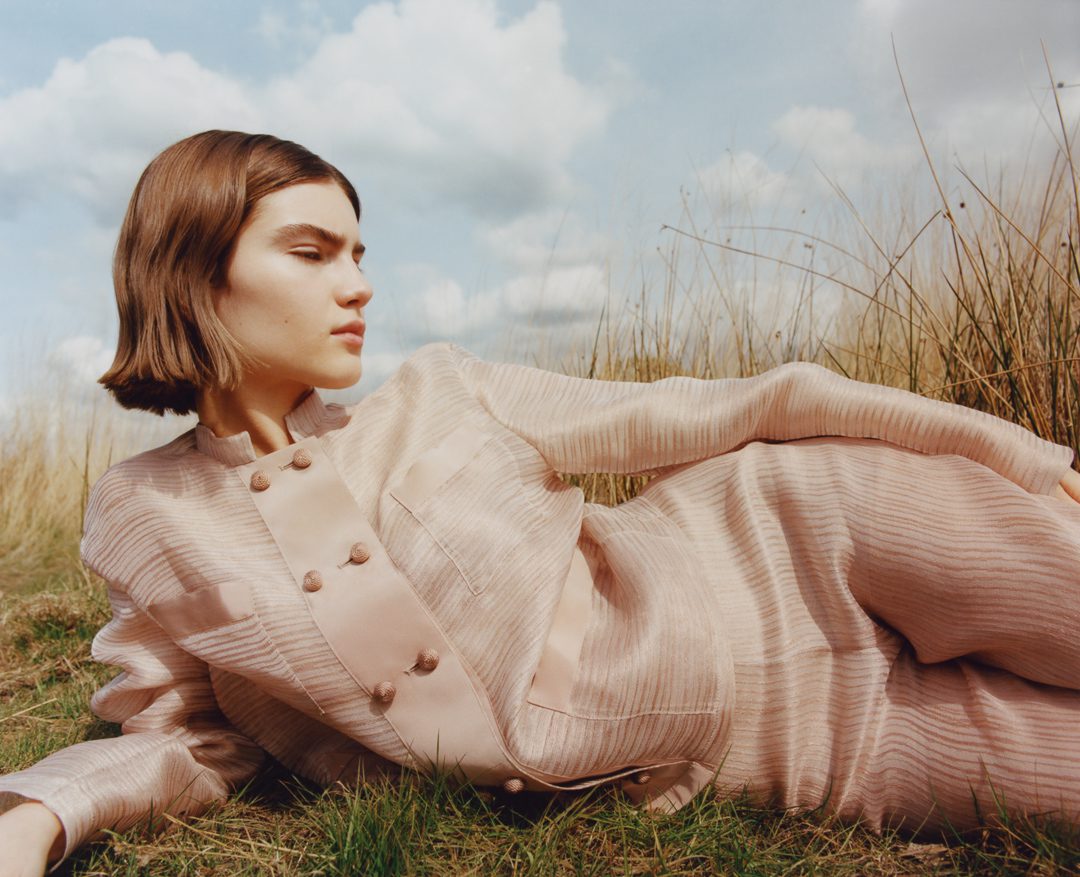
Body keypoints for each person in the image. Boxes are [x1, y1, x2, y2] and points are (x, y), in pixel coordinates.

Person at [2, 129, 1080, 875]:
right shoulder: (151, 515)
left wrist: (1013, 449)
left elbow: (722, 404)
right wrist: (40, 815)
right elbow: (185, 736)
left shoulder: (443, 390)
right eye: (311, 250)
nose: (359, 282)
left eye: (360, 252)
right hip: (818, 752)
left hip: (814, 537)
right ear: (192, 272)